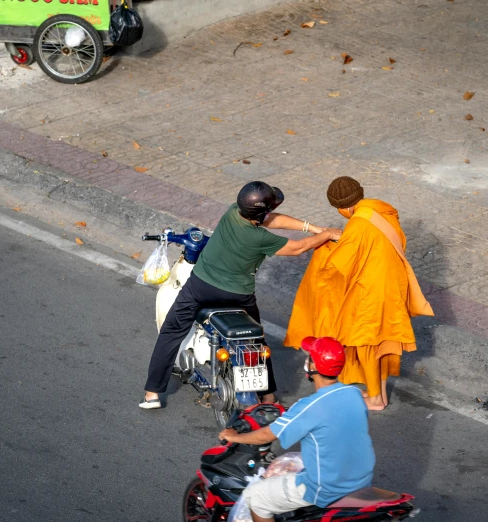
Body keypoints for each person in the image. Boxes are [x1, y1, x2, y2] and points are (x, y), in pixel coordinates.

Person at [141, 181, 342, 409]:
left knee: (171, 332)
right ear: (261, 213)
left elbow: (272, 219)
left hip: (200, 287)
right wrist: (325, 234)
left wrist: (315, 229)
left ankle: (152, 393)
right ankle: (268, 396)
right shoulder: (262, 239)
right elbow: (297, 247)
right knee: (256, 341)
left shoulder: (232, 213)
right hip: (238, 296)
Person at [284, 176, 434, 411]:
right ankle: (380, 394)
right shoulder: (380, 211)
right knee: (382, 343)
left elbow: (340, 267)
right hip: (391, 285)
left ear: (343, 207)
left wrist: (326, 250)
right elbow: (370, 245)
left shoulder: (356, 226)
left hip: (371, 294)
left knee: (366, 345)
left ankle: (374, 399)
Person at [218, 336, 375, 522]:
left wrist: (235, 437)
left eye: (309, 358)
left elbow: (267, 435)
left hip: (327, 487)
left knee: (255, 496)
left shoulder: (309, 406)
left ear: (314, 367)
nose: (306, 361)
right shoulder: (355, 394)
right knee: (290, 463)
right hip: (362, 478)